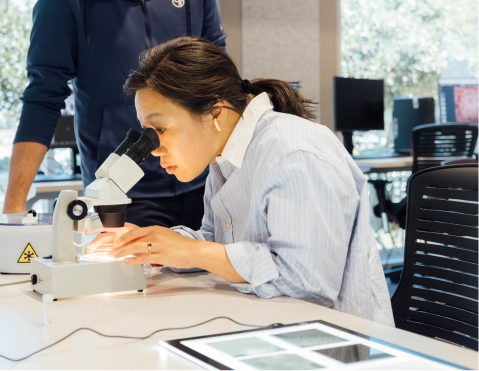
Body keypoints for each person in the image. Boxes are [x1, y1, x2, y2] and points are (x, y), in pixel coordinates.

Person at [88, 36, 394, 326]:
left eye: (160, 129)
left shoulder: (293, 151)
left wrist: (194, 252)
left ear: (215, 113)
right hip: (269, 326)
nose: (153, 147)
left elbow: (306, 281)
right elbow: (219, 246)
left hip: (335, 346)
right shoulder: (225, 159)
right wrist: (155, 245)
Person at [3, 0, 226, 228]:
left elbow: (220, 81)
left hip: (206, 187)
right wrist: (11, 210)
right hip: (121, 200)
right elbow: (42, 98)